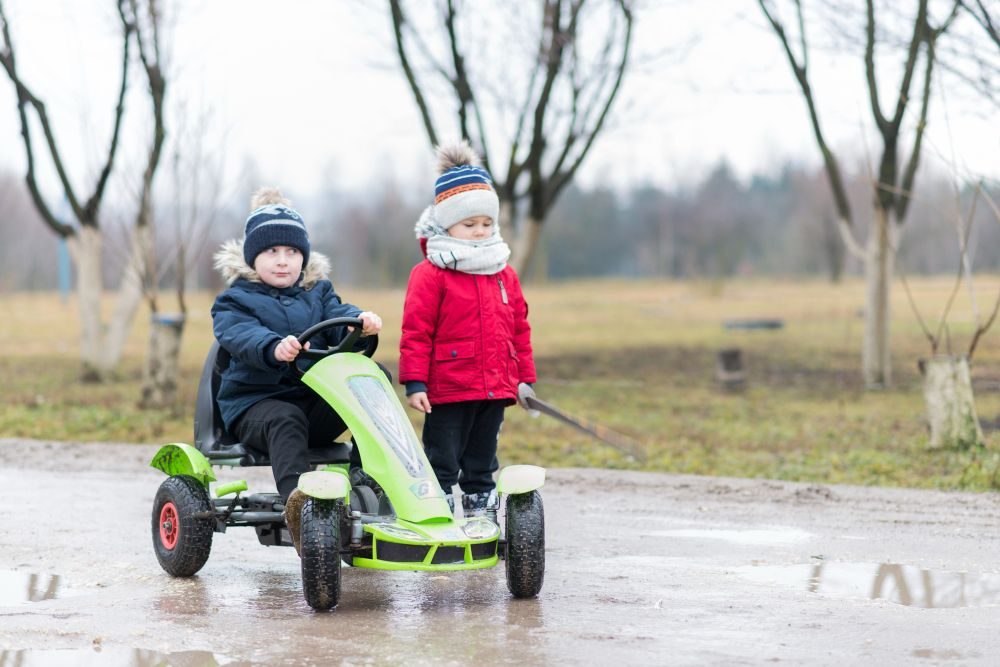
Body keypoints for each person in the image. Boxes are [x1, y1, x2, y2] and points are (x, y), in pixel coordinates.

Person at [211, 187, 382, 553]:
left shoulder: (318, 293)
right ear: (252, 257)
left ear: (303, 256)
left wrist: (358, 321)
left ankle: (367, 479)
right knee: (286, 417)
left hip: (312, 401)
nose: (283, 260)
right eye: (272, 251)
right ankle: (302, 508)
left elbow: (338, 316)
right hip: (257, 405)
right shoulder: (234, 301)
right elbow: (241, 335)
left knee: (368, 385)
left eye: (291, 252)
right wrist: (273, 346)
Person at [399, 141, 538, 518]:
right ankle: (438, 511)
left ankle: (480, 513)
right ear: (447, 224)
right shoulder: (431, 273)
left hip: (495, 385)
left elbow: (518, 329)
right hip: (448, 387)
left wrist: (524, 378)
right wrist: (416, 383)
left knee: (482, 458)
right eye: (469, 224)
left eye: (486, 223)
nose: (479, 232)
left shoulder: (503, 271)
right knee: (442, 456)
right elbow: (416, 330)